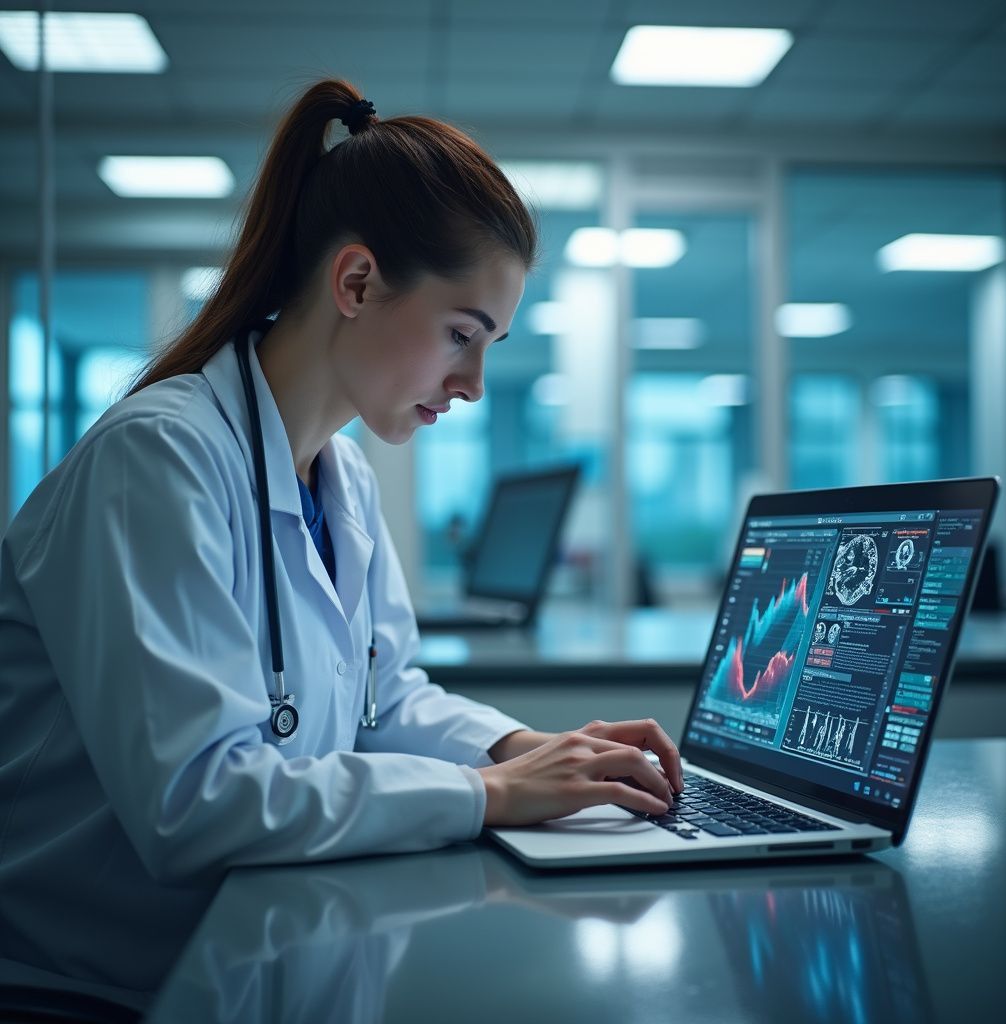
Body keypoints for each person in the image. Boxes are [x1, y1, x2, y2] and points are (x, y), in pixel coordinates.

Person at [0, 80, 681, 909]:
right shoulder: (159, 458)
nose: (471, 384)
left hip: (251, 936)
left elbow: (384, 699)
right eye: (460, 335)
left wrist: (520, 747)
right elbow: (196, 803)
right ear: (355, 283)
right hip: (96, 981)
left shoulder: (341, 475)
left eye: (488, 344)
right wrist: (492, 795)